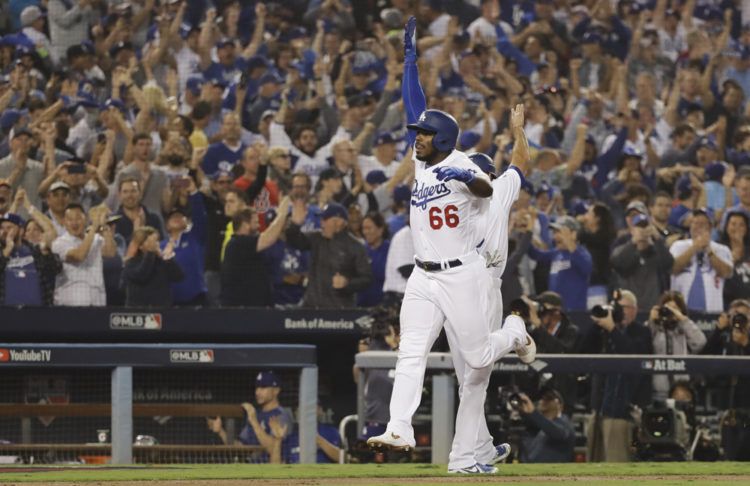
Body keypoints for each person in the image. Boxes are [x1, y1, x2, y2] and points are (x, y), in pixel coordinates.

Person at [367, 17, 531, 476]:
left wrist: (471, 177)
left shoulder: (467, 170)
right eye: (417, 134)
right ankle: (400, 426)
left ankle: (515, 331)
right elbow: (415, 103)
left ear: (441, 141)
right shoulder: (424, 162)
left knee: (477, 362)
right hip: (424, 275)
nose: (415, 139)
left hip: (466, 275)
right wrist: (410, 61)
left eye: (423, 134)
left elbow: (483, 188)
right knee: (411, 350)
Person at [580, 289, 653, 462]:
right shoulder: (602, 331)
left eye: (623, 307)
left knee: (616, 463)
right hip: (598, 407)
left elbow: (631, 356)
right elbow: (583, 351)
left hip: (623, 411)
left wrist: (612, 329)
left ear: (634, 310)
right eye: (615, 307)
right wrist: (597, 323)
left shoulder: (641, 332)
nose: (619, 311)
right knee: (592, 463)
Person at [285, 202, 372, 308]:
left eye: (325, 220)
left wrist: (347, 283)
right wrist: (295, 224)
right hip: (312, 308)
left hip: (340, 313)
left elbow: (366, 278)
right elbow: (294, 241)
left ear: (339, 222)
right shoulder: (316, 238)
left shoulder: (356, 246)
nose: (321, 224)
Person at [207, 371, 293, 464]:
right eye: (257, 388)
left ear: (276, 390)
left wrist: (254, 422)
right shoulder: (256, 415)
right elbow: (240, 447)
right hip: (254, 467)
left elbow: (273, 449)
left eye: (263, 388)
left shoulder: (282, 415)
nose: (257, 392)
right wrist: (221, 431)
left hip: (274, 470)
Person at [220, 197, 291, 307]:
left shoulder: (246, 244)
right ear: (245, 224)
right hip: (242, 312)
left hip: (254, 309)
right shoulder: (238, 244)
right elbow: (268, 238)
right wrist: (282, 215)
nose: (258, 226)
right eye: (255, 222)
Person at [669, 208, 733, 313]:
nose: (697, 226)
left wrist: (708, 250)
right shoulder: (679, 246)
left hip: (712, 312)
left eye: (702, 223)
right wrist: (695, 247)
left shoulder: (721, 249)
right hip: (679, 311)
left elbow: (726, 273)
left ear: (710, 227)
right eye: (695, 223)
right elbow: (673, 268)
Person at [51, 204, 117, 306]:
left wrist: (104, 226)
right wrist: (94, 226)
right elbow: (79, 256)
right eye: (70, 219)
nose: (74, 223)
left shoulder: (96, 239)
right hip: (70, 305)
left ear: (85, 220)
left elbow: (110, 252)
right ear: (64, 222)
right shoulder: (59, 243)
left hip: (96, 302)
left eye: (78, 218)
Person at [646, 291, 706, 401]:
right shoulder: (655, 327)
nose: (670, 311)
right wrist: (652, 322)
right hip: (658, 392)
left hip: (682, 391)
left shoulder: (685, 329)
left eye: (675, 308)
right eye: (668, 308)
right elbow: (644, 345)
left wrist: (683, 319)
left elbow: (700, 342)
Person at [527, 215, 593, 312]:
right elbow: (535, 254)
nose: (555, 236)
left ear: (573, 234)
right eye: (554, 233)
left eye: (559, 232)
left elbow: (587, 269)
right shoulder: (556, 253)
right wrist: (526, 233)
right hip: (555, 310)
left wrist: (570, 243)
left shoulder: (582, 252)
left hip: (575, 311)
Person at [611, 213, 675, 311]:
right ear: (632, 230)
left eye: (646, 227)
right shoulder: (622, 249)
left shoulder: (657, 251)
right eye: (639, 227)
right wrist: (633, 242)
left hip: (652, 307)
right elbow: (617, 264)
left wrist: (657, 239)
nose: (643, 230)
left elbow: (669, 264)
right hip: (628, 308)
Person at [0, 212, 62, 306]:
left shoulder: (36, 251)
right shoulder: (2, 253)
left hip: (37, 313)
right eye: (2, 228)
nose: (4, 232)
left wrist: (45, 252)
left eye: (9, 228)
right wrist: (7, 250)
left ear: (21, 231)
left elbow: (56, 268)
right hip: (6, 314)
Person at [121, 226, 184, 307]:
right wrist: (150, 253)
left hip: (162, 311)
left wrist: (167, 258)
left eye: (156, 240)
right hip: (138, 312)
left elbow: (179, 277)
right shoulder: (131, 262)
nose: (155, 244)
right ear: (140, 246)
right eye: (150, 241)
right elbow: (141, 275)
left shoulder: (162, 261)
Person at [517, 388, 576, 463]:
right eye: (542, 398)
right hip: (533, 470)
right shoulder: (543, 425)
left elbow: (557, 433)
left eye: (549, 398)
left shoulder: (565, 422)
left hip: (553, 472)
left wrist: (533, 412)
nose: (543, 401)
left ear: (559, 404)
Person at [357, 212, 390, 307]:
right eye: (364, 228)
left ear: (380, 230)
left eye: (369, 228)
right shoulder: (361, 250)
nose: (365, 232)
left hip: (383, 307)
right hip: (361, 307)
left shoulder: (390, 250)